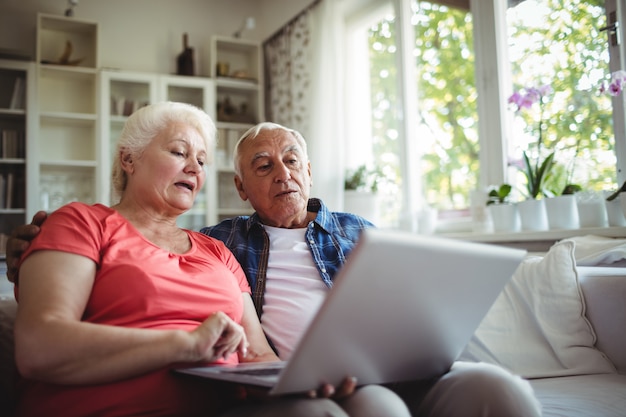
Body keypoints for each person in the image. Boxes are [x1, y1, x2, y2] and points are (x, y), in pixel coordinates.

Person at [7, 121, 541, 416]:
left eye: (291, 160)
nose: (281, 173)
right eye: (262, 166)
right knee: (378, 410)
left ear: (308, 170)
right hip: (326, 384)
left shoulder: (361, 231)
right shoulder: (221, 242)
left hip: (401, 364)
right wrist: (35, 249)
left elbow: (419, 304)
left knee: (502, 391)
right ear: (241, 188)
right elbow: (144, 250)